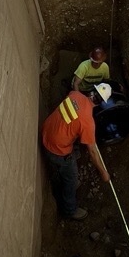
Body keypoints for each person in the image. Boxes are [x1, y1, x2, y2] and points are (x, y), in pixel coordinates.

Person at [41, 84, 112, 220]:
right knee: (71, 179)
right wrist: (104, 173)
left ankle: (70, 159)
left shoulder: (75, 95)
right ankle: (69, 210)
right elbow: (92, 151)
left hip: (46, 132)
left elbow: (73, 114)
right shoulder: (88, 122)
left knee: (75, 137)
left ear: (92, 91)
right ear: (102, 102)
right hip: (56, 150)